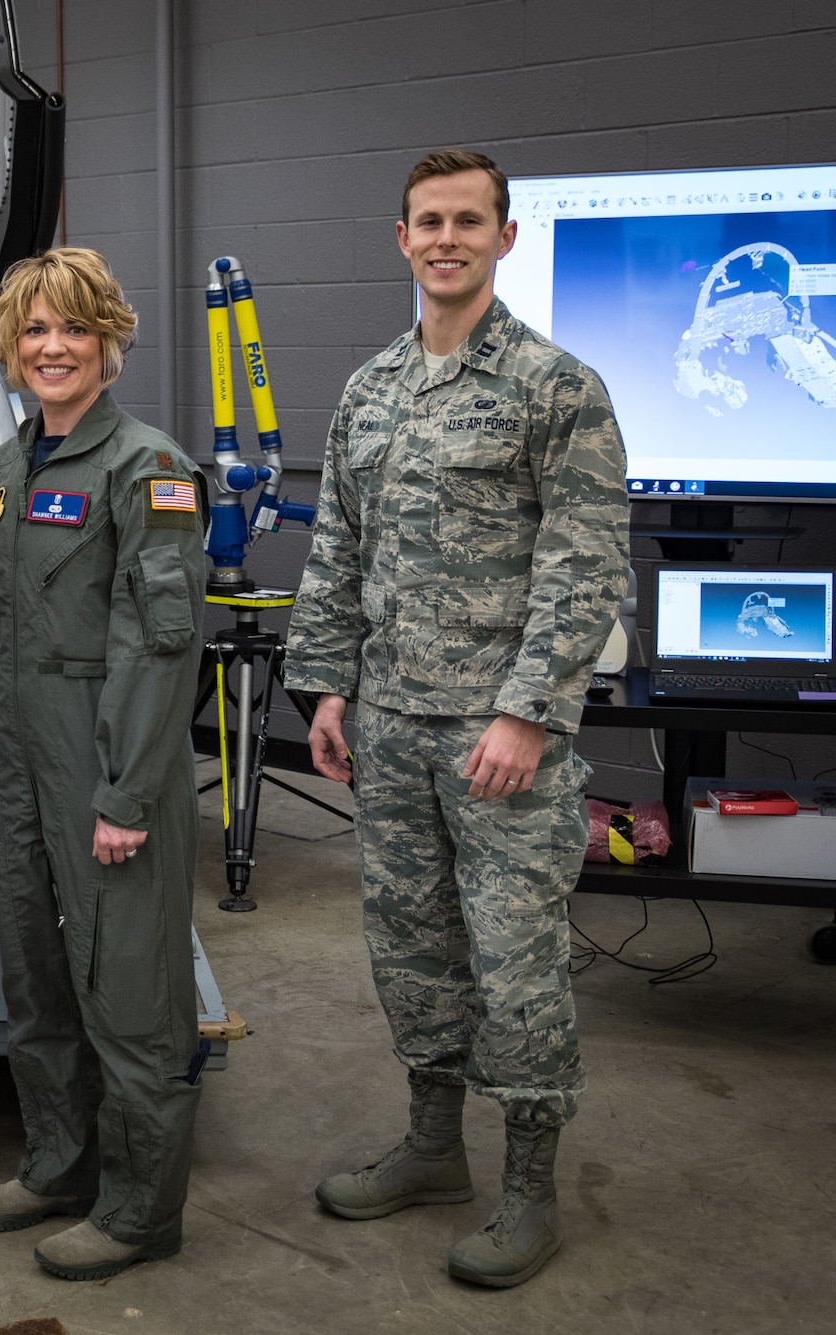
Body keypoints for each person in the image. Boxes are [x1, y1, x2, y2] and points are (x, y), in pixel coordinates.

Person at [286, 149, 630, 1289]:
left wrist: (527, 716)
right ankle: (434, 1148)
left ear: (502, 237)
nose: (445, 238)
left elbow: (583, 569)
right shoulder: (370, 389)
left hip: (497, 742)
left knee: (515, 965)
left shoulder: (554, 387)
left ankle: (528, 1189)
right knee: (413, 951)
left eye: (466, 221)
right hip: (384, 725)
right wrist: (324, 687)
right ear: (400, 238)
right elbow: (337, 547)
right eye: (426, 221)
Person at [0, 248, 209, 1282]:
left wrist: (127, 792)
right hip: (12, 763)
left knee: (128, 996)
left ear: (108, 342)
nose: (52, 348)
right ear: (10, 348)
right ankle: (58, 1165)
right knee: (36, 982)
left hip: (105, 769)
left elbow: (159, 643)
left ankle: (141, 1209)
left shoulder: (147, 469)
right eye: (33, 331)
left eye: (73, 329)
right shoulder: (0, 476)